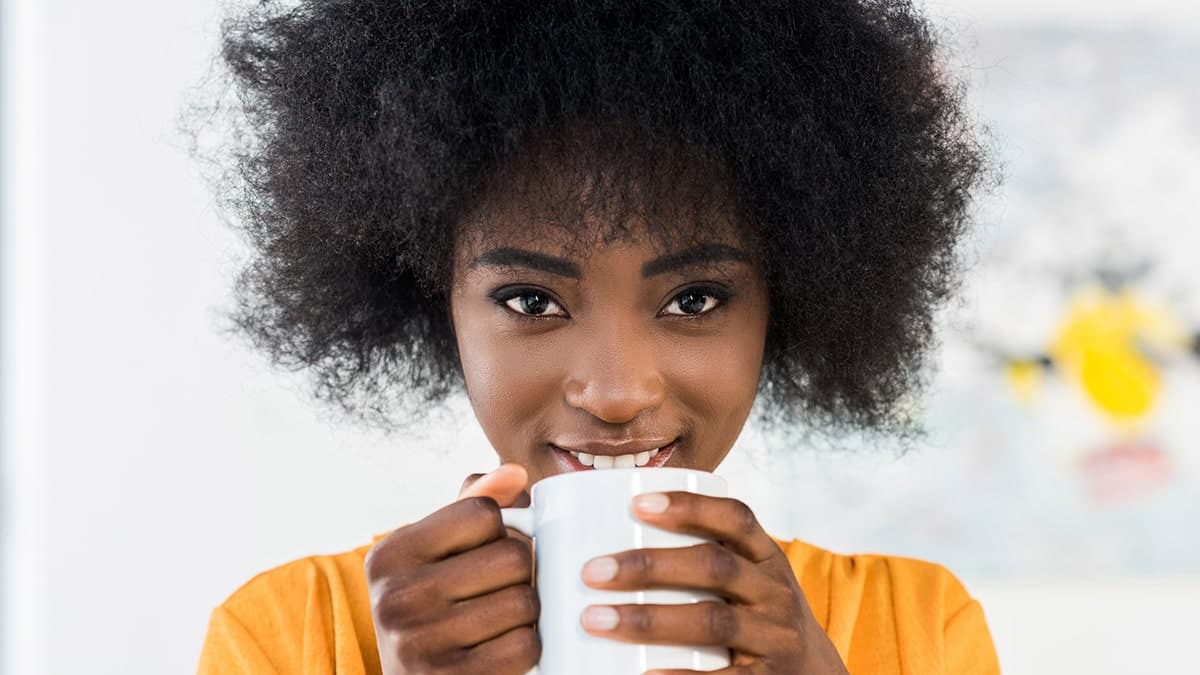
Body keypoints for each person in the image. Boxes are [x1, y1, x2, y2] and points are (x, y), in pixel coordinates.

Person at [190, 0, 999, 672]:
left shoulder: (916, 629)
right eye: (531, 300)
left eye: (693, 299)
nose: (617, 392)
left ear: (786, 304)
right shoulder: (291, 634)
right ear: (435, 304)